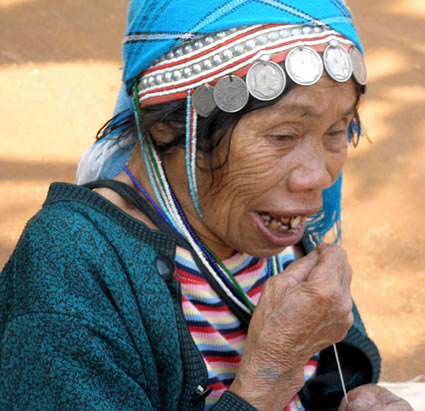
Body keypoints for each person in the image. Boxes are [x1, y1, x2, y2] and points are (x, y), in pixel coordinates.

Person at [0, 1, 414, 410]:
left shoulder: (272, 228)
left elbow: (328, 378)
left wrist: (352, 396)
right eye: (283, 137)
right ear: (168, 126)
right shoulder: (72, 266)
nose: (319, 177)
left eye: (336, 132)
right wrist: (268, 377)